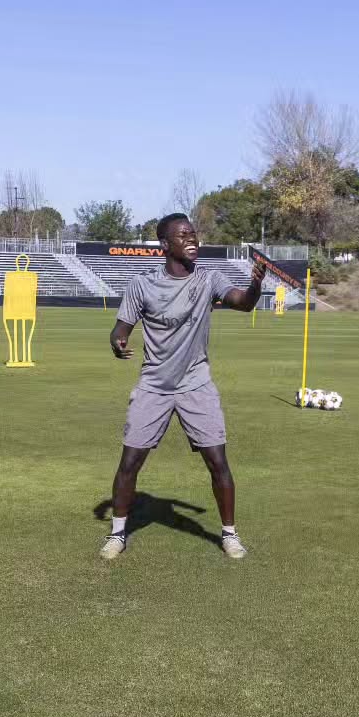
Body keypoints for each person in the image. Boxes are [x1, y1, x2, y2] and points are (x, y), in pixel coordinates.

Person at [100, 212, 265, 562]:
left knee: (217, 461)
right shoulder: (142, 284)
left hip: (196, 383)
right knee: (130, 462)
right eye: (183, 235)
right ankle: (117, 534)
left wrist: (255, 286)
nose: (192, 239)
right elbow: (120, 329)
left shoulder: (209, 279)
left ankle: (230, 535)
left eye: (193, 233)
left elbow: (243, 302)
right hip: (154, 385)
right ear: (165, 244)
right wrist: (117, 342)